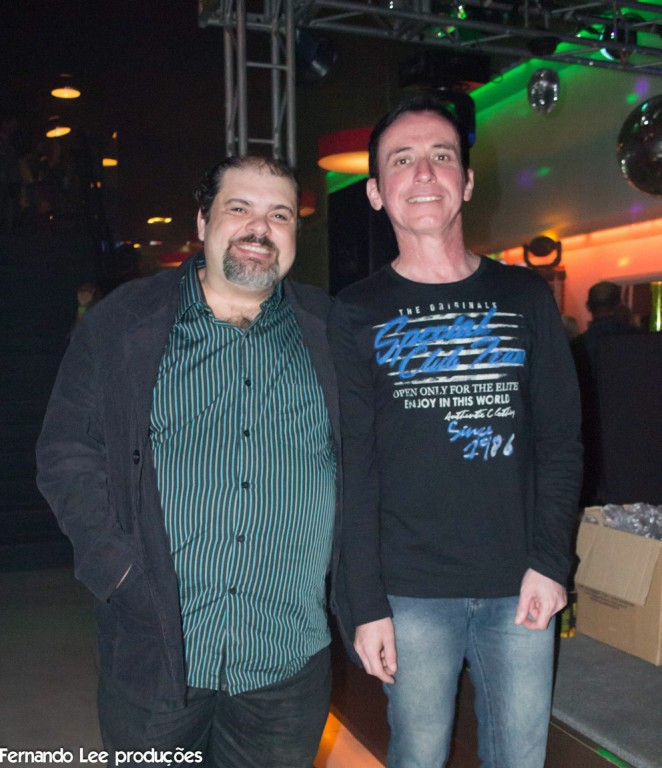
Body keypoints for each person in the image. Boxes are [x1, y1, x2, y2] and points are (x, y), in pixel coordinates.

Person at [36, 155, 351, 768]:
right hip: (155, 651)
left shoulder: (333, 331)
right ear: (203, 220)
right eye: (240, 208)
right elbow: (66, 452)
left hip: (286, 658)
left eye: (280, 215)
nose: (260, 227)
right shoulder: (124, 323)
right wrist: (117, 574)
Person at [328, 95, 582, 768]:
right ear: (376, 192)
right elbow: (353, 466)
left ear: (466, 182)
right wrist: (365, 603)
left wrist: (551, 563)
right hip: (409, 591)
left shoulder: (525, 297)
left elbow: (559, 442)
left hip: (519, 582)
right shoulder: (355, 312)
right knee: (417, 756)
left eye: (441, 156)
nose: (423, 173)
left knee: (519, 758)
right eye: (401, 160)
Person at [572, 280, 640, 505]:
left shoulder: (578, 347)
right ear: (619, 304)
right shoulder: (639, 341)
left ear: (589, 306)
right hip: (633, 431)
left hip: (591, 432)